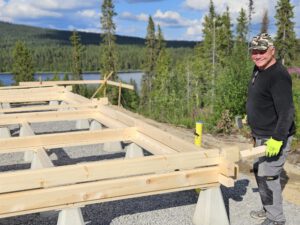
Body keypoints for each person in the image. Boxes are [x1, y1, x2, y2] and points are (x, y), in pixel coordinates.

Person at [246, 33, 296, 225]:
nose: (257, 55)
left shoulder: (279, 75)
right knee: (260, 170)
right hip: (260, 135)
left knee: (268, 176)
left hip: (274, 137)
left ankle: (276, 219)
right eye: (254, 51)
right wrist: (249, 116)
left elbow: (287, 112)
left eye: (262, 51)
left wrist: (277, 138)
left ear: (272, 50)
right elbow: (259, 97)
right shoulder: (259, 69)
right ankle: (268, 209)